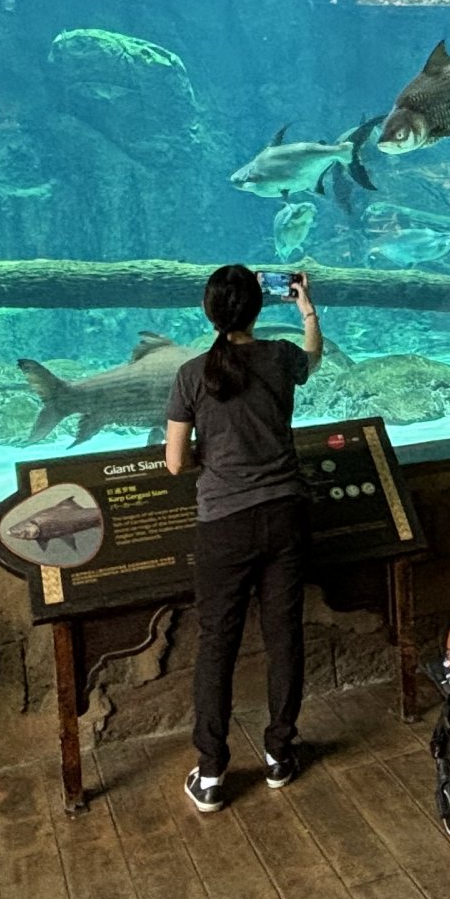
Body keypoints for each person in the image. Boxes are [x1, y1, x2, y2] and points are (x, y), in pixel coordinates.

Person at [164, 265, 321, 812]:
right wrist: (306, 308)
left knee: (217, 644)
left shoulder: (191, 373)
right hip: (285, 516)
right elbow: (315, 357)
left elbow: (175, 462)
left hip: (223, 524)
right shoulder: (280, 356)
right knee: (284, 635)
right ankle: (280, 754)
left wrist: (219, 460)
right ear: (259, 307)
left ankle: (211, 772)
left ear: (209, 312)